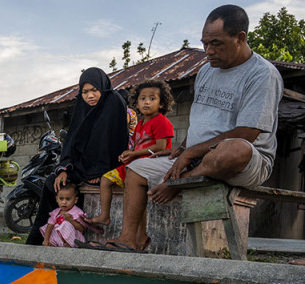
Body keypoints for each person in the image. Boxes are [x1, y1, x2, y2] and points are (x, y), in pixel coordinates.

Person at [96, 5, 283, 252]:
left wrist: (190, 155)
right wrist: (181, 149)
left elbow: (247, 133)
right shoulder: (207, 70)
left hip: (247, 161)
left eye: (216, 43)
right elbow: (201, 120)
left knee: (234, 149)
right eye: (204, 44)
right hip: (196, 157)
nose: (208, 51)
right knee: (136, 169)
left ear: (240, 38)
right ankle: (131, 239)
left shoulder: (262, 74)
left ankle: (178, 183)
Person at [26, 68, 128, 245]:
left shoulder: (113, 102)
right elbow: (72, 141)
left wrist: (101, 170)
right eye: (85, 92)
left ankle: (74, 235)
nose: (90, 96)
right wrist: (64, 168)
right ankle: (45, 237)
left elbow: (112, 141)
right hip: (83, 166)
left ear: (102, 88)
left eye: (94, 90)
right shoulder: (82, 108)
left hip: (107, 165)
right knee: (53, 183)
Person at [86, 80, 175, 232]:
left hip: (151, 166)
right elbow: (136, 146)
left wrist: (134, 154)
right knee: (106, 179)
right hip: (135, 164)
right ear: (136, 102)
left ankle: (138, 235)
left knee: (135, 196)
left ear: (161, 104)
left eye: (152, 98)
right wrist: (127, 155)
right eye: (142, 98)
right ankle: (104, 216)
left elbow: (160, 147)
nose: (146, 102)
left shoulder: (161, 121)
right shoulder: (140, 124)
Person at [41, 183, 86, 247]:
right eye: (61, 199)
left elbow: (81, 229)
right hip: (60, 239)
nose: (64, 202)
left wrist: (71, 220)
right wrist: (46, 240)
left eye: (68, 199)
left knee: (65, 224)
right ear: (57, 199)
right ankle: (53, 244)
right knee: (47, 227)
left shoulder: (77, 212)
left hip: (75, 240)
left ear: (75, 200)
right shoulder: (56, 212)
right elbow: (50, 226)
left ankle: (68, 245)